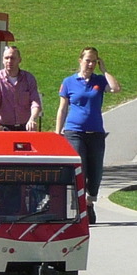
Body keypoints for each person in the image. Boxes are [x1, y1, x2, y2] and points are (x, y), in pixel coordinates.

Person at [55, 47, 120, 223]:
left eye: (94, 61)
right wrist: (57, 133)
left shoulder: (99, 80)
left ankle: (89, 202)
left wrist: (104, 69)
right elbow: (62, 108)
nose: (90, 64)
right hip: (74, 131)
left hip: (96, 133)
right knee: (80, 169)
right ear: (80, 60)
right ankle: (80, 207)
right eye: (87, 60)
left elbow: (115, 88)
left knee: (96, 172)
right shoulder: (69, 82)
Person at [0, 45, 43, 131]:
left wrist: (32, 119)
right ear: (2, 60)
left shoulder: (28, 78)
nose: (9, 61)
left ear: (19, 60)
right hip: (4, 127)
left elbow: (35, 102)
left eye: (13, 58)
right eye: (6, 58)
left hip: (25, 126)